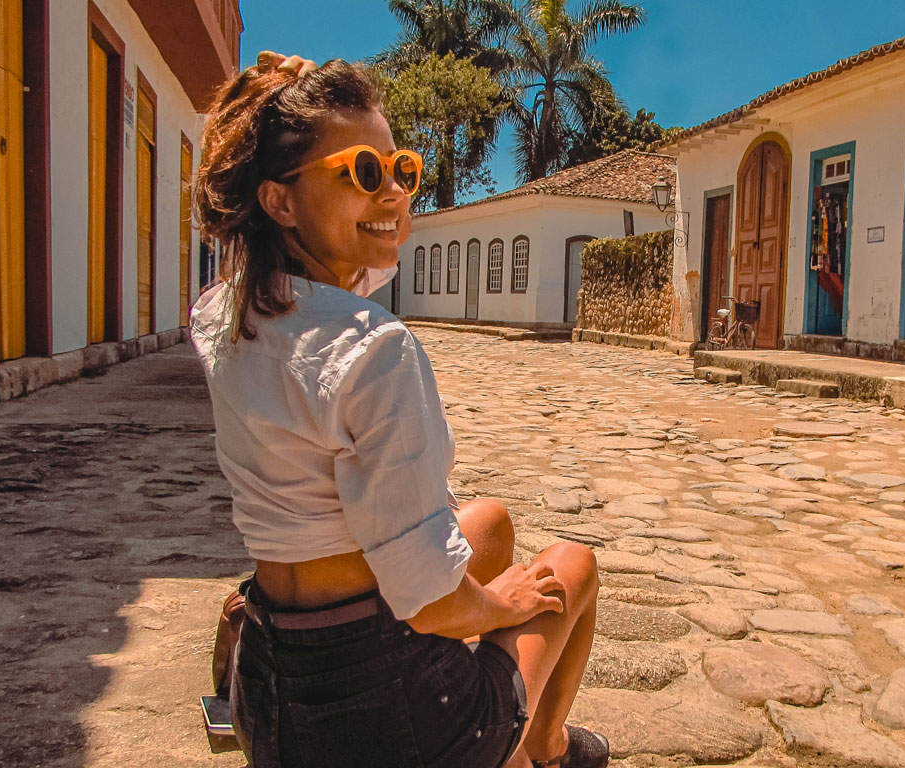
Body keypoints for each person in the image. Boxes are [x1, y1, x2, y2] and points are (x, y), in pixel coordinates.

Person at [189, 52, 605, 768]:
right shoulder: (375, 350)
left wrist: (275, 107)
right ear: (280, 200)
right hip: (386, 720)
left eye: (400, 170)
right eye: (361, 172)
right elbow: (428, 602)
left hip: (272, 683)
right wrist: (500, 604)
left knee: (494, 521)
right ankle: (543, 745)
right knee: (571, 567)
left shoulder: (225, 310)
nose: (394, 195)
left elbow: (335, 252)